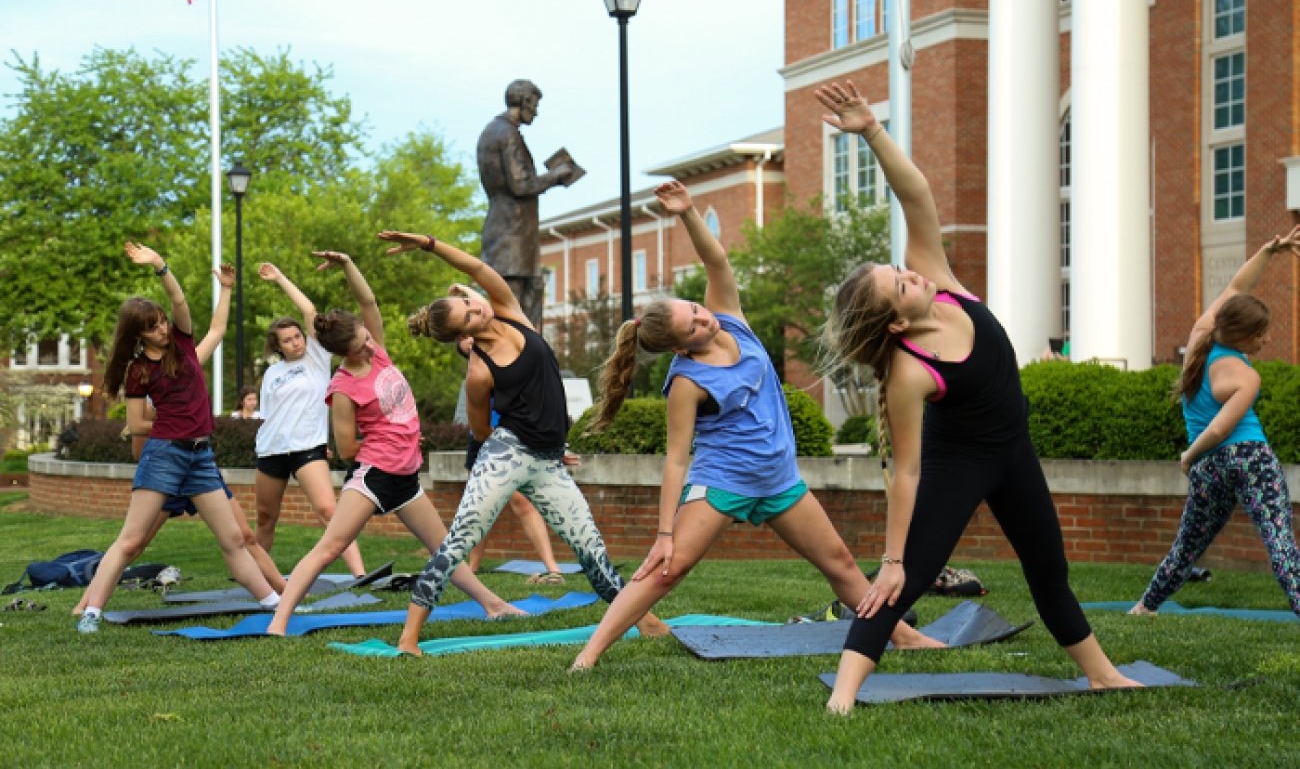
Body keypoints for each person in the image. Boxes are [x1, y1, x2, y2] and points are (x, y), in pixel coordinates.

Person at [813, 80, 1140, 713]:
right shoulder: (911, 370)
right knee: (899, 587)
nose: (910, 274)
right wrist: (892, 556)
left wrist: (872, 131)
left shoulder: (940, 282)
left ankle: (1103, 674)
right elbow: (906, 470)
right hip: (957, 465)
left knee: (1050, 571)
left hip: (1013, 453)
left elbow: (917, 194)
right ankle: (843, 698)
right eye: (899, 284)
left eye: (901, 269)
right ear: (897, 324)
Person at [568, 182, 941, 670]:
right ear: (681, 348)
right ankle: (590, 653)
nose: (706, 321)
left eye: (698, 311)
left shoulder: (731, 320)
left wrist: (686, 214)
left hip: (778, 479)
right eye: (694, 327)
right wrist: (664, 532)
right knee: (669, 569)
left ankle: (903, 636)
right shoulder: (686, 381)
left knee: (841, 565)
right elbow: (678, 457)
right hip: (724, 481)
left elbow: (717, 261)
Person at [375, 230, 666, 656]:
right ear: (465, 335)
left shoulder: (510, 312)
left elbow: (476, 268)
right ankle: (409, 638)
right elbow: (479, 431)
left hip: (548, 459)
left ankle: (647, 621)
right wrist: (510, 453)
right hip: (506, 453)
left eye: (471, 302)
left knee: (591, 551)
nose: (477, 307)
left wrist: (430, 244)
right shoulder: (479, 372)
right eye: (469, 314)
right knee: (459, 540)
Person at [267, 250, 524, 636]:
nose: (370, 347)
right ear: (343, 354)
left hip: (405, 475)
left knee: (446, 547)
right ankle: (279, 621)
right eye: (359, 347)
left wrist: (349, 265)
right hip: (374, 475)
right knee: (331, 545)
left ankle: (493, 604)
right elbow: (347, 448)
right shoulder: (342, 388)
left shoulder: (380, 353)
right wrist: (390, 434)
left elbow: (367, 301)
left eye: (368, 338)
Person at [76, 242, 280, 633]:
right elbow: (136, 423)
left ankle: (276, 604)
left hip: (201, 456)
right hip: (164, 456)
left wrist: (162, 266)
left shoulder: (183, 345)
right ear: (139, 335)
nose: (162, 328)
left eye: (161, 321)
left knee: (234, 538)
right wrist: (173, 426)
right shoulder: (138, 370)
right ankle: (91, 613)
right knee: (132, 541)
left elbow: (183, 302)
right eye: (152, 327)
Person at [1130, 229, 1300, 618]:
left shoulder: (1200, 339)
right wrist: (1188, 455)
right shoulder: (1245, 376)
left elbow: (1238, 285)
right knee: (1279, 541)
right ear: (1243, 336)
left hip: (1211, 468)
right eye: (1261, 335)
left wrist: (1267, 251)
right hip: (1249, 458)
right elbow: (1222, 430)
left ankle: (1146, 606)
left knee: (1188, 544)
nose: (1266, 341)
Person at [253, 262, 366, 579]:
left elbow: (310, 309)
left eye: (297, 336)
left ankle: (360, 574)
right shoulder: (271, 374)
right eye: (287, 340)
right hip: (271, 450)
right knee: (265, 517)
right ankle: (257, 578)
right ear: (278, 347)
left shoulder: (316, 356)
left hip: (308, 449)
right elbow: (269, 416)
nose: (295, 342)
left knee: (329, 511)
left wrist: (280, 278)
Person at [454, 337, 566, 583]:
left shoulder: (510, 358)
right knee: (480, 504)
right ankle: (472, 568)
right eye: (465, 341)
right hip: (482, 439)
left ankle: (552, 567)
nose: (471, 342)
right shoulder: (477, 370)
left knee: (521, 502)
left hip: (513, 438)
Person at [477, 79, 576, 328]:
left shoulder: (492, 131)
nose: (536, 111)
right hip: (513, 236)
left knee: (517, 310)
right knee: (515, 313)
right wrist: (556, 175)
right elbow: (520, 184)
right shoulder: (507, 134)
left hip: (507, 232)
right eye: (534, 104)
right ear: (523, 102)